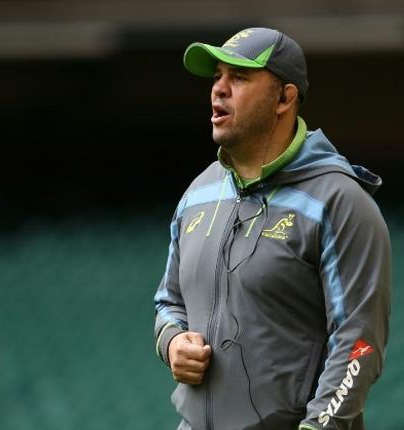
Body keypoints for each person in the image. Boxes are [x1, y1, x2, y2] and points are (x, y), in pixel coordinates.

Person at [153, 27, 391, 430]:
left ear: (285, 98)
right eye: (217, 78)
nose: (219, 91)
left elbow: (359, 344)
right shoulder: (198, 193)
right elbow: (168, 302)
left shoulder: (338, 202)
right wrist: (173, 341)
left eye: (239, 78)